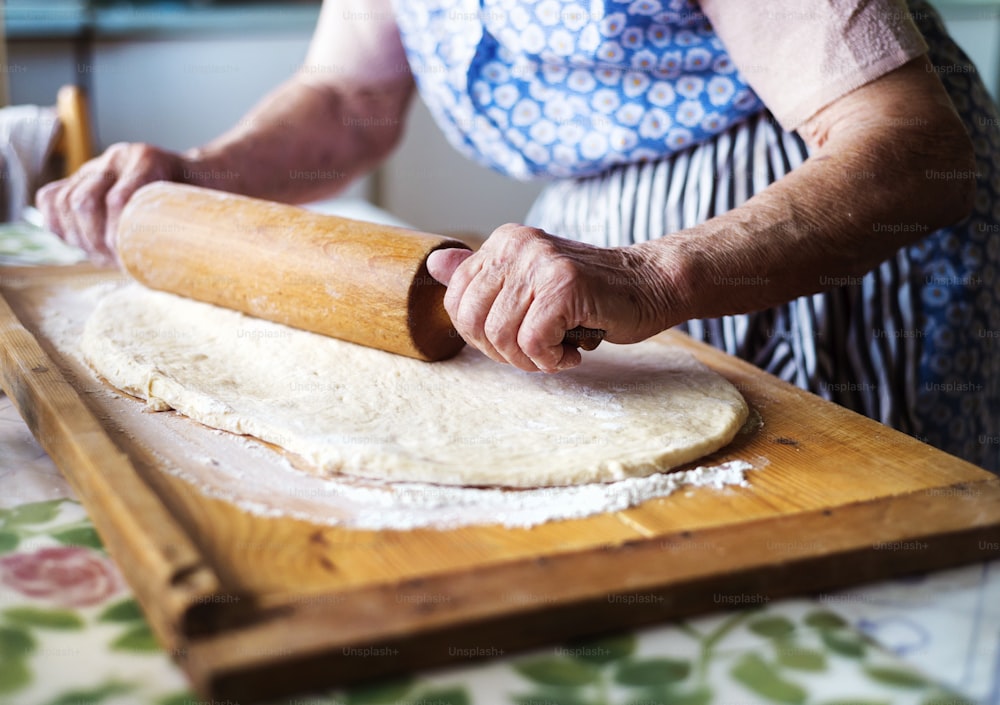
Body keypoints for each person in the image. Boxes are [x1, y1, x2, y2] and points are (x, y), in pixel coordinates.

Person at [37, 0, 999, 472]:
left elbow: (914, 153)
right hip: (594, 254)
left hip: (816, 242)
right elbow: (349, 99)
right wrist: (202, 174)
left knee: (840, 576)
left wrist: (654, 273)